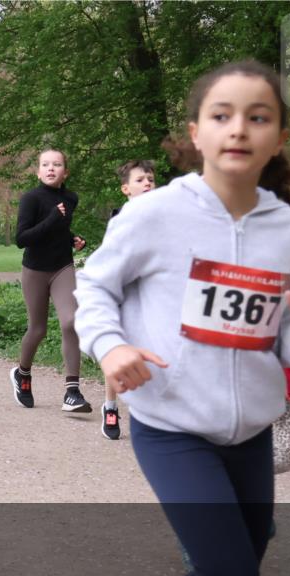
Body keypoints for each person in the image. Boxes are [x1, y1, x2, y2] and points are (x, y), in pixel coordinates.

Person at [74, 60, 290, 576]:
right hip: (172, 426)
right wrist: (111, 347)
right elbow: (94, 288)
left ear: (279, 138)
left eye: (258, 117)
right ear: (196, 133)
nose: (239, 129)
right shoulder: (155, 214)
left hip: (251, 433)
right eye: (222, 115)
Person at [10, 149, 90, 413]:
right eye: (45, 164)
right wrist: (53, 217)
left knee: (71, 321)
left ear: (65, 172)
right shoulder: (31, 198)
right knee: (38, 329)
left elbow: (60, 230)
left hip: (62, 268)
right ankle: (22, 374)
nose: (51, 168)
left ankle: (72, 391)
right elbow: (22, 239)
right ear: (38, 171)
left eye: (57, 164)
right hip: (35, 270)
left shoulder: (70, 198)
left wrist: (73, 239)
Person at [100, 160, 157, 440]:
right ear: (126, 189)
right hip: (125, 295)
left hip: (153, 298)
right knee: (118, 351)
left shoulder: (163, 218)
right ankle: (111, 406)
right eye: (140, 180)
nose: (147, 183)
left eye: (150, 179)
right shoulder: (119, 220)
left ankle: (149, 411)